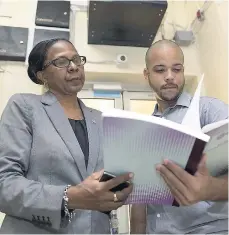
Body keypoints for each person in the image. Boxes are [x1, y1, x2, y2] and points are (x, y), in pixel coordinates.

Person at [0, 38, 133, 234]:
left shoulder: (102, 120)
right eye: (61, 62)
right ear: (41, 75)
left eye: (77, 60)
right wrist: (69, 197)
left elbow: (106, 181)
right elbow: (4, 183)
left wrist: (119, 190)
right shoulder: (25, 107)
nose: (73, 67)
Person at [130, 39, 228, 234]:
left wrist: (209, 189)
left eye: (177, 69)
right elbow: (140, 201)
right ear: (146, 74)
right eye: (160, 70)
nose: (169, 77)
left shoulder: (209, 110)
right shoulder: (143, 131)